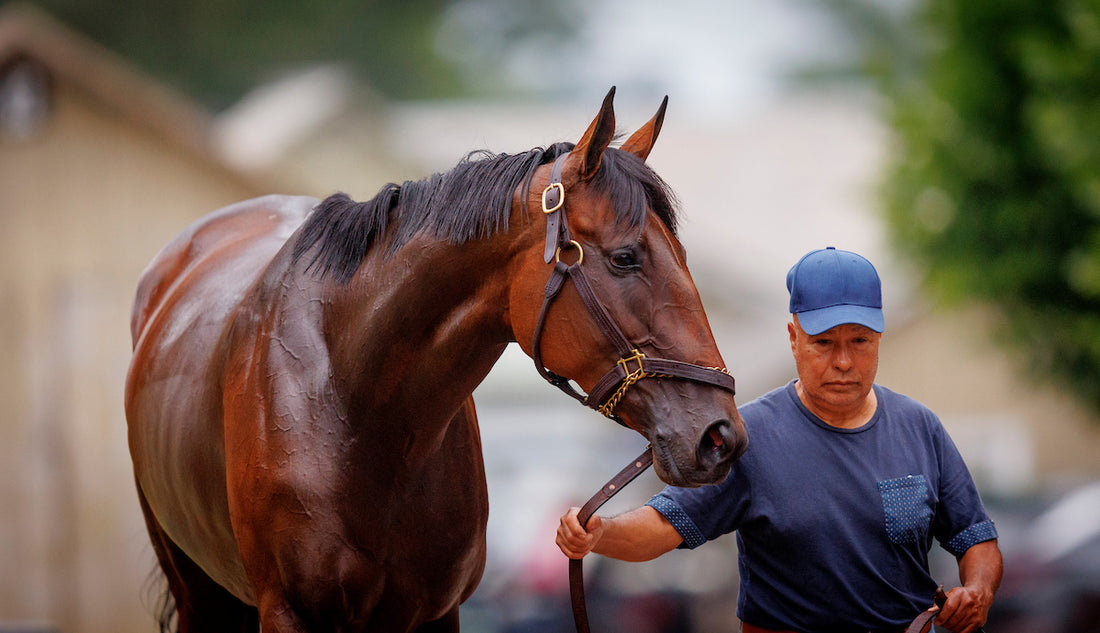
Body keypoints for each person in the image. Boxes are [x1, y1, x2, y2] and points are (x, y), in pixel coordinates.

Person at [557, 247, 1002, 633]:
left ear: (879, 338)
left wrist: (978, 590)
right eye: (823, 342)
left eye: (860, 341)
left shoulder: (919, 427)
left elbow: (976, 539)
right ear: (793, 339)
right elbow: (661, 528)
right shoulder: (749, 436)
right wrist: (598, 534)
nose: (843, 361)